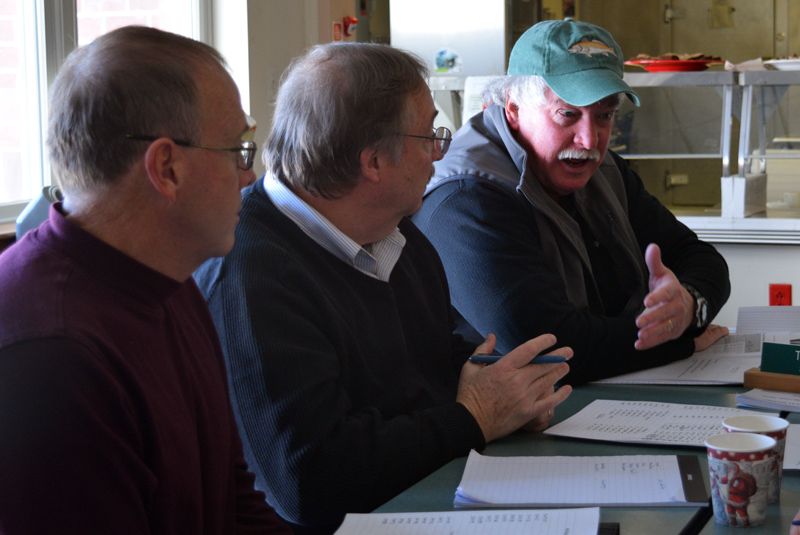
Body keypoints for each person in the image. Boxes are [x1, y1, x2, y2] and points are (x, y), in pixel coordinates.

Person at [193, 42, 573, 535]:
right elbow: (309, 481)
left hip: (423, 500)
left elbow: (437, 354)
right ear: (372, 163)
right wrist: (475, 417)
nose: (442, 152)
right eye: (430, 135)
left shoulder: (395, 232)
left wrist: (511, 394)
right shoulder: (248, 273)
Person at [0, 26, 290, 535]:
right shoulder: (48, 354)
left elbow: (233, 501)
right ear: (166, 167)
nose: (251, 176)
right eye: (238, 150)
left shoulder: (170, 278)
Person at [412, 19, 731, 385]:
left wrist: (688, 306)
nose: (589, 140)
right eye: (568, 114)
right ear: (513, 109)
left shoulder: (605, 171)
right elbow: (548, 345)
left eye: (605, 116)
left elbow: (701, 258)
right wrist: (679, 339)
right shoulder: (466, 199)